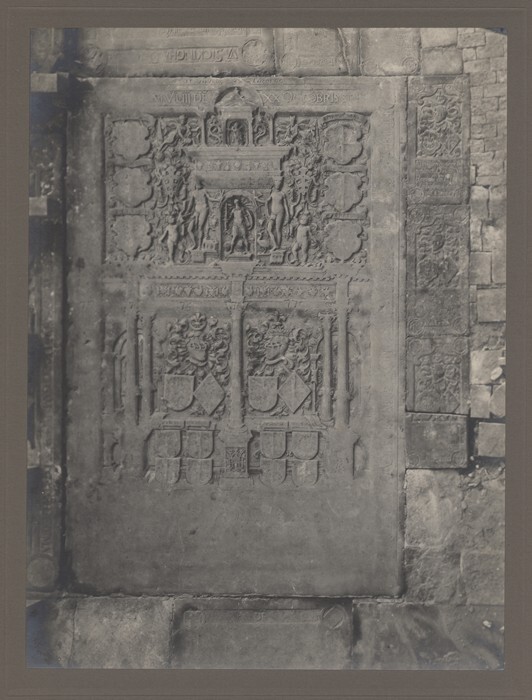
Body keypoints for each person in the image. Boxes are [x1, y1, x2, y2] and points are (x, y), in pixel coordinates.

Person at [267, 177, 290, 249]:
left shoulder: (282, 194)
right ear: (275, 185)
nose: (278, 186)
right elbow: (267, 202)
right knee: (269, 229)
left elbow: (285, 205)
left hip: (280, 212)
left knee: (278, 229)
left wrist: (288, 215)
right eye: (277, 184)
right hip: (273, 213)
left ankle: (278, 246)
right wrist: (268, 213)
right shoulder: (272, 193)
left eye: (279, 185)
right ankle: (275, 244)